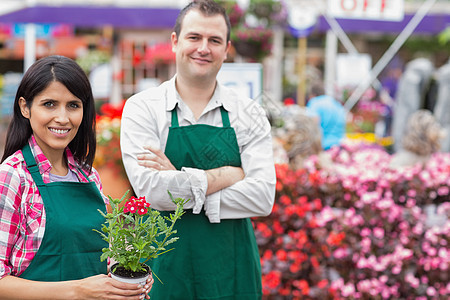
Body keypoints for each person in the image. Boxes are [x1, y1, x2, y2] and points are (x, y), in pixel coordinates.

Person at [120, 0, 276, 299]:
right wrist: (228, 175)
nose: (204, 48)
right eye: (195, 37)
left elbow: (262, 197)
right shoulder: (143, 108)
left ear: (226, 49)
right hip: (165, 267)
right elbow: (151, 190)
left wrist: (177, 179)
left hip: (231, 269)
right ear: (175, 41)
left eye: (214, 40)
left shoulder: (248, 113)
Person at [0, 55, 152, 299]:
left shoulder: (88, 176)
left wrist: (128, 278)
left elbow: (103, 256)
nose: (63, 118)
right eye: (49, 104)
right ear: (25, 107)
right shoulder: (12, 177)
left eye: (73, 105)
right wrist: (78, 291)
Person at [306, 82, 347, 150]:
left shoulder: (315, 102)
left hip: (323, 146)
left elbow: (313, 124)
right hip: (339, 145)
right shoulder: (335, 102)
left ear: (313, 94)